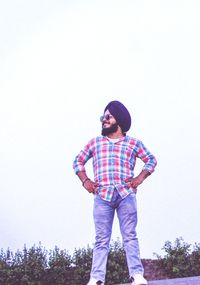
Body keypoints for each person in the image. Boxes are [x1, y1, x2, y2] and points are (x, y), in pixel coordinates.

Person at [73, 100, 157, 285]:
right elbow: (78, 161)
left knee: (130, 235)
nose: (104, 119)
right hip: (102, 197)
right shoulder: (95, 143)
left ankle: (137, 275)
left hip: (126, 195)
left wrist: (139, 179)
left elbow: (151, 160)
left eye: (108, 116)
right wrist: (85, 181)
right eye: (103, 116)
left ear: (119, 119)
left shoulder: (133, 143)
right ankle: (96, 278)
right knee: (101, 239)